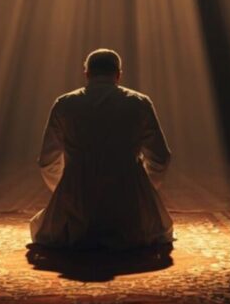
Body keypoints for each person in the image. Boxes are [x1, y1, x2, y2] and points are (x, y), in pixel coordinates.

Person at [29, 48, 173, 249]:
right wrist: (143, 189)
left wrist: (68, 186)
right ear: (118, 75)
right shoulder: (139, 103)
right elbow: (160, 157)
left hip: (76, 201)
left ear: (86, 74)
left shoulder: (65, 103)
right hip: (129, 204)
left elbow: (47, 160)